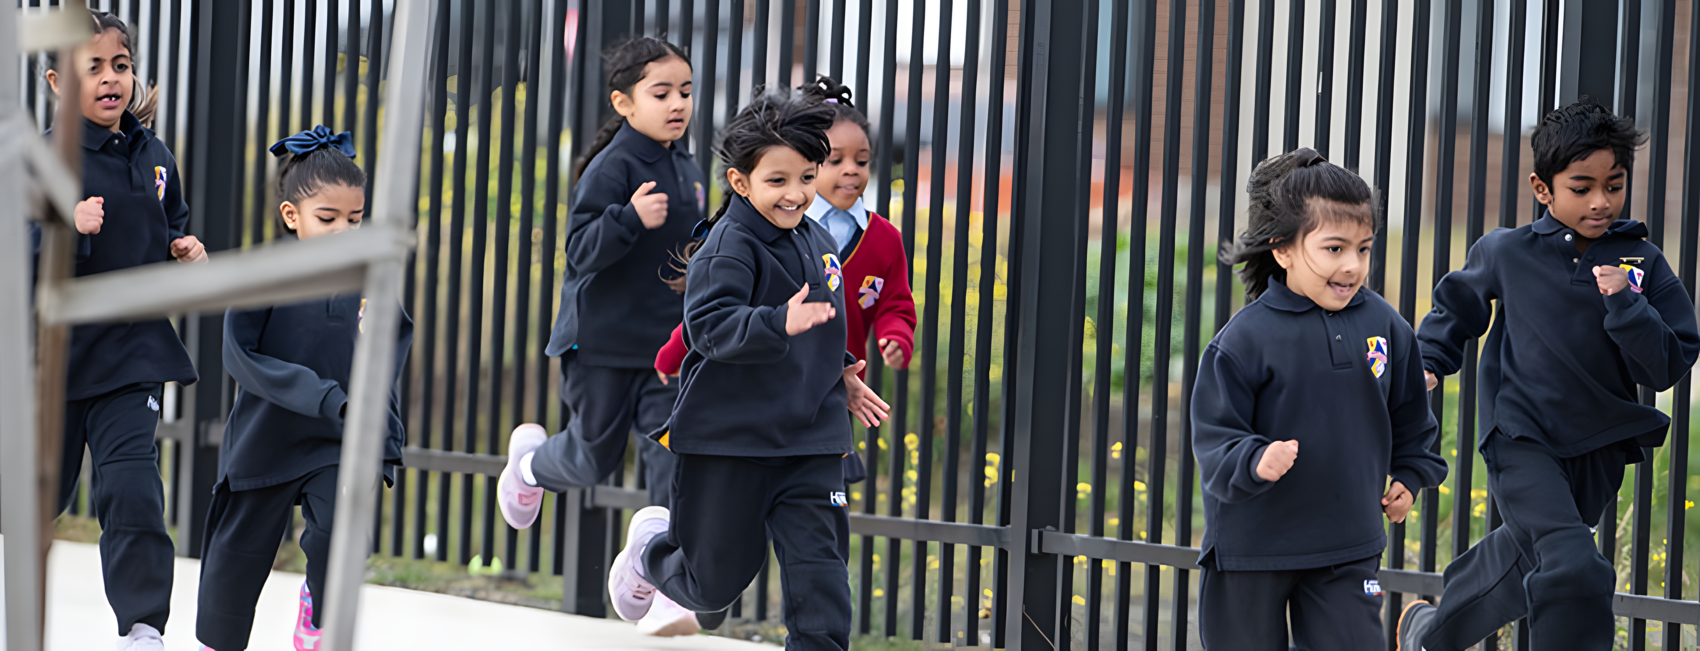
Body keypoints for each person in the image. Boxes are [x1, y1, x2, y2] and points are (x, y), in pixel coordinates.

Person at [1398, 101, 1700, 650]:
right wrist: (1428, 364)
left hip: (1600, 445)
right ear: (1543, 189)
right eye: (1581, 187)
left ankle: (1425, 634)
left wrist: (1628, 307)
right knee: (1572, 566)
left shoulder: (1642, 262)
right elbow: (1456, 308)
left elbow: (1670, 362)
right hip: (1521, 437)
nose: (1601, 201)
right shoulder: (1507, 252)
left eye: (1614, 184)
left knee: (1531, 557)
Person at [606, 87, 888, 648]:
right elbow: (708, 327)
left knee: (822, 574)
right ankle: (652, 550)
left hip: (810, 442)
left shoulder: (815, 239)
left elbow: (825, 324)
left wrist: (842, 375)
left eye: (807, 178)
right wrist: (774, 323)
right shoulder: (727, 246)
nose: (797, 195)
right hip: (729, 441)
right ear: (740, 181)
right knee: (712, 585)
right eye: (777, 181)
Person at [1192, 148, 1448, 649]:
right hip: (1253, 548)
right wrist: (1255, 459)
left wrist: (1411, 477)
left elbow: (1410, 415)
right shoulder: (1243, 341)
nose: (1353, 266)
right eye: (1334, 249)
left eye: (1364, 248)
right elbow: (1215, 437)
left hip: (1348, 547)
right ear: (1283, 250)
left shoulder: (1385, 326)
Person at [192, 127, 412, 651]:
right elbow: (240, 355)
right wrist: (322, 395)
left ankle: (319, 607)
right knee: (235, 559)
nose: (344, 232)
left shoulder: (369, 278)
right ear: (293, 216)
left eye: (355, 220)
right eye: (328, 219)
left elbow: (388, 350)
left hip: (335, 443)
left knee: (341, 530)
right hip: (265, 441)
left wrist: (385, 431)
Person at [653, 75, 914, 487]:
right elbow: (709, 318)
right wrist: (674, 353)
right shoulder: (756, 234)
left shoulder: (852, 238)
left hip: (818, 410)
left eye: (862, 161)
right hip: (748, 419)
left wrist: (874, 348)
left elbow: (890, 303)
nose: (851, 171)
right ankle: (660, 550)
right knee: (724, 544)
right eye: (836, 161)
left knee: (819, 537)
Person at [36, 10, 204, 649]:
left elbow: (170, 227)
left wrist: (183, 250)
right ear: (58, 82)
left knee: (132, 484)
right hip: (55, 358)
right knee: (34, 493)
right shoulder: (46, 157)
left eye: (121, 65)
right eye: (93, 67)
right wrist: (63, 224)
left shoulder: (155, 157)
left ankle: (142, 625)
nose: (111, 79)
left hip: (132, 354)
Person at [497, 37, 704, 536]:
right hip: (603, 345)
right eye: (661, 93)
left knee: (669, 453)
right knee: (593, 459)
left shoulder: (687, 168)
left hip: (664, 347)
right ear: (624, 102)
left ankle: (661, 570)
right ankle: (528, 467)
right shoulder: (612, 167)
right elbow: (582, 250)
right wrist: (630, 217)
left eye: (686, 91)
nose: (678, 104)